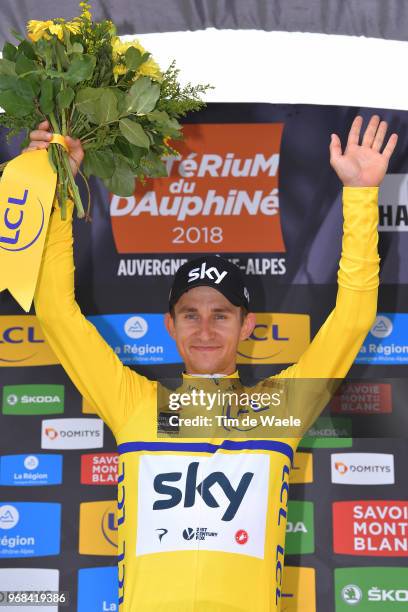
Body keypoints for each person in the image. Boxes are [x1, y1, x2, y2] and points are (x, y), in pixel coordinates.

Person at [28, 115, 397, 611]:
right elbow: (55, 311)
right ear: (170, 326)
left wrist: (359, 194)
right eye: (191, 314)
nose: (205, 329)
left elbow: (353, 318)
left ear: (247, 326)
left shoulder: (278, 409)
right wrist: (55, 189)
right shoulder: (133, 403)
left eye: (221, 314)